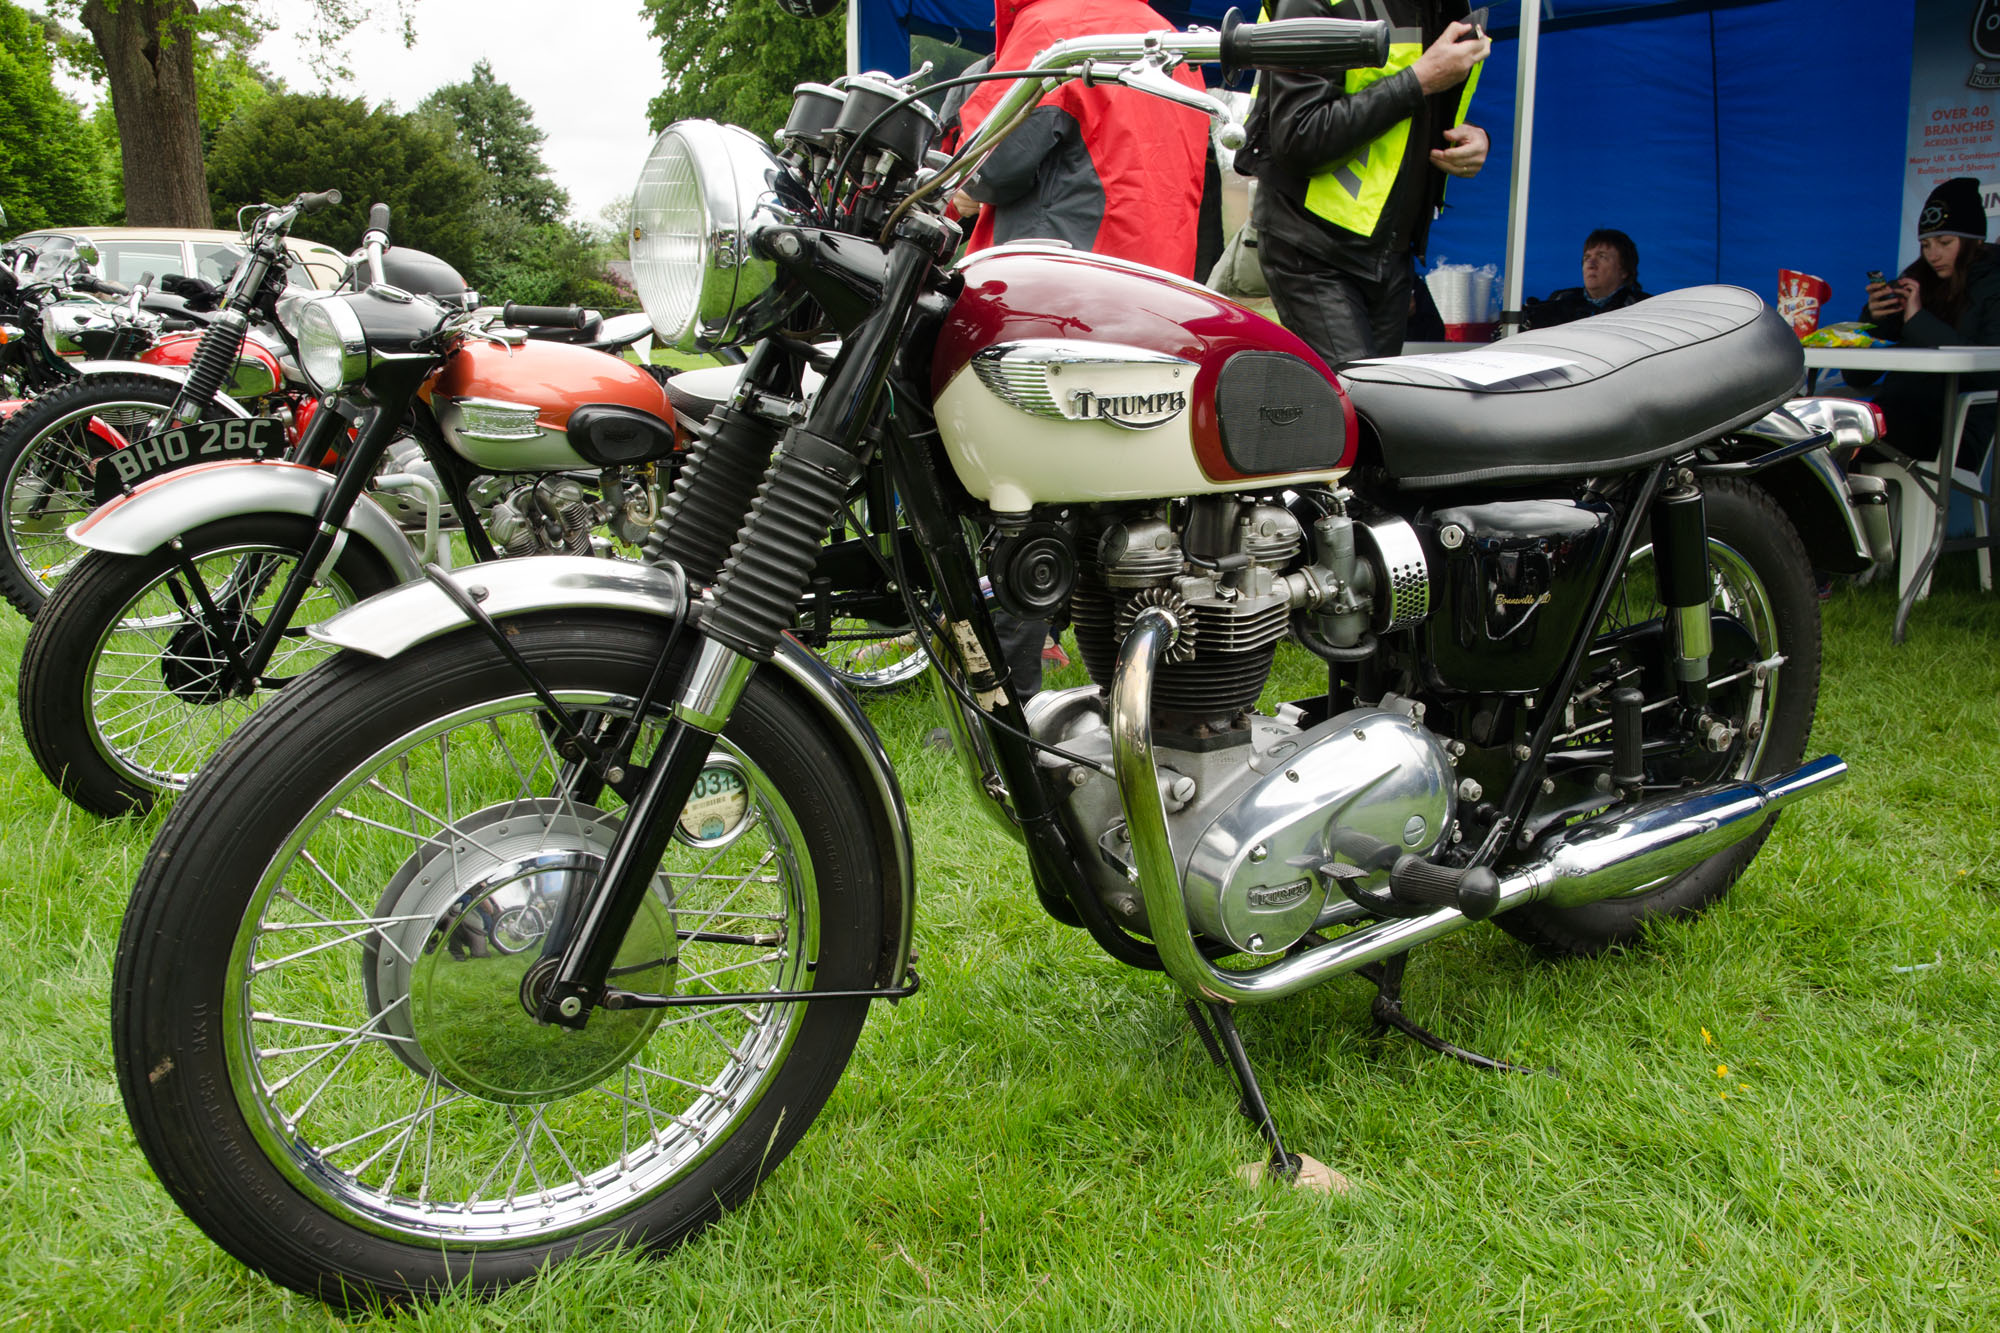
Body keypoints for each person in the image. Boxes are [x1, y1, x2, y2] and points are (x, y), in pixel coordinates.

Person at [948, 0, 1213, 697]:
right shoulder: (1172, 41)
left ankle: (1010, 704)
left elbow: (982, 169)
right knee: (1127, 513)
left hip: (1062, 302)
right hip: (1158, 305)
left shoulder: (1054, 28)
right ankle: (1133, 690)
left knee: (1023, 507)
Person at [1235, 0, 1491, 368]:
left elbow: (1422, 114)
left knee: (1376, 410)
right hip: (1312, 246)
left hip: (1393, 253)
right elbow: (1298, 138)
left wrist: (1477, 139)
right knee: (1358, 408)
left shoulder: (1442, 5)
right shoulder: (1311, 4)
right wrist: (1419, 80)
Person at [1861, 176, 2000, 468]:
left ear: (1973, 240)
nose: (1932, 254)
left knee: (1859, 435)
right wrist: (1874, 319)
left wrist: (1917, 319)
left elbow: (1989, 372)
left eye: (1944, 242)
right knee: (1836, 427)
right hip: (1900, 417)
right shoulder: (1919, 278)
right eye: (1925, 244)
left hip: (1957, 427)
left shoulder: (1994, 283)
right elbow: (1857, 378)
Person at [1520, 228, 1649, 330]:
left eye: (1602, 257)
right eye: (1586, 258)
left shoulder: (1643, 308)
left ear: (1624, 270)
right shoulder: (1561, 299)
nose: (1590, 264)